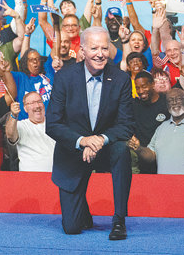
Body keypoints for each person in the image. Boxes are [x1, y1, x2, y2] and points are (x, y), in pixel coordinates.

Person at [46, 26, 135, 240]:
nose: (100, 53)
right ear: (82, 51)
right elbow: (53, 124)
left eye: (104, 48)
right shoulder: (65, 77)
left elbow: (126, 125)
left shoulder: (121, 79)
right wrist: (83, 141)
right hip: (73, 149)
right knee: (72, 228)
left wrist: (99, 140)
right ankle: (82, 212)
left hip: (106, 147)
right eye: (94, 48)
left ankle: (119, 220)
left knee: (122, 150)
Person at [126, 71, 168, 174]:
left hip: (165, 157)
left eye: (144, 86)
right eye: (137, 88)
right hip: (143, 156)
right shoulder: (134, 105)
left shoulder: (166, 102)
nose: (141, 91)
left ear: (153, 84)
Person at [5, 91, 55, 172]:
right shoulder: (21, 125)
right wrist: (13, 115)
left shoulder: (55, 124)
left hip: (56, 178)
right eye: (32, 103)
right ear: (25, 108)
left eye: (39, 101)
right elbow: (10, 135)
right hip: (30, 179)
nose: (37, 106)